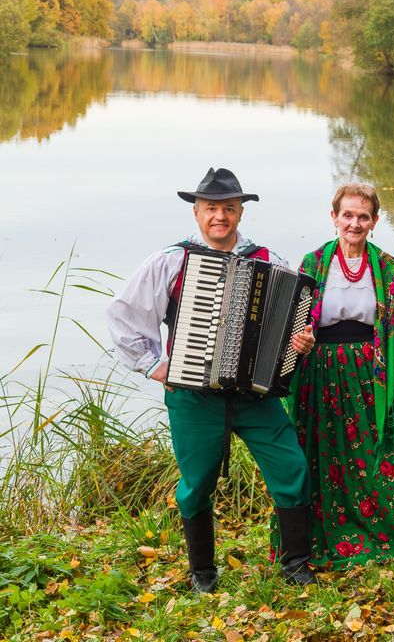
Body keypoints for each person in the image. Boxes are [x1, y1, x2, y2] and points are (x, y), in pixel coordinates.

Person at [107, 167, 317, 592]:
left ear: (240, 213)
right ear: (197, 213)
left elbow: (294, 323)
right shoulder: (172, 260)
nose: (219, 216)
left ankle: (295, 563)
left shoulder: (269, 262)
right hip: (192, 396)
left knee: (291, 466)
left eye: (228, 208)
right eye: (210, 209)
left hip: (255, 395)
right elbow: (123, 316)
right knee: (196, 483)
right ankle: (203, 572)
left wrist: (300, 342)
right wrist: (153, 365)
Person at [289, 183, 394, 566]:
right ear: (334, 218)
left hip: (373, 374)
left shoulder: (387, 266)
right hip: (322, 375)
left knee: (380, 451)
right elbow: (290, 322)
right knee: (328, 456)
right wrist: (296, 341)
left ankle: (386, 531)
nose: (354, 223)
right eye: (347, 215)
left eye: (363, 216)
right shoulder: (313, 263)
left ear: (375, 221)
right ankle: (324, 536)